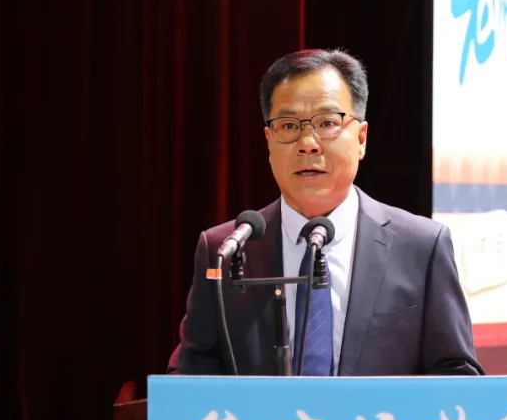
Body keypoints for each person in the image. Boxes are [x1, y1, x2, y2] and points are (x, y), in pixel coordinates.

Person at [169, 48, 483, 377]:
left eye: (327, 123)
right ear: (269, 142)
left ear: (361, 139)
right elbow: (190, 376)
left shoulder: (421, 247)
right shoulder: (225, 250)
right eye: (288, 125)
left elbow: (456, 375)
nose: (308, 143)